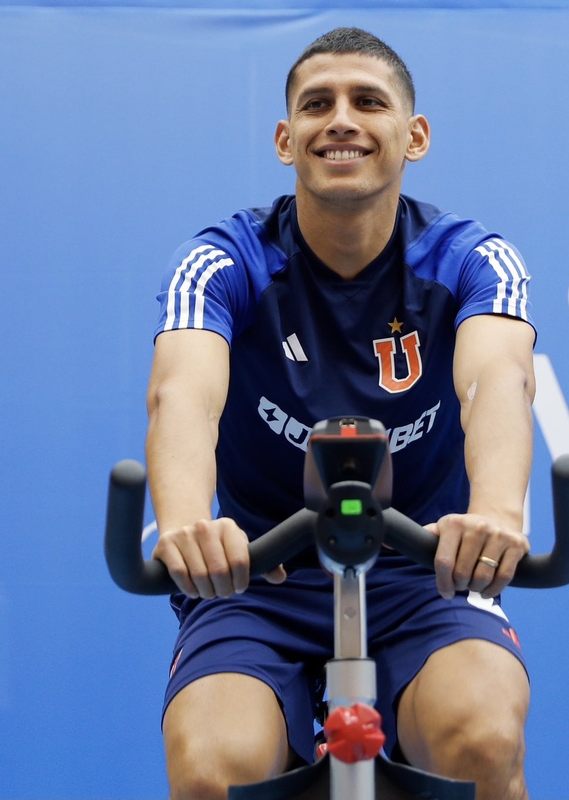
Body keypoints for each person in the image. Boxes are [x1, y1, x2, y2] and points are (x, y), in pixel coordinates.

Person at [146, 27, 538, 800]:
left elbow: (497, 379)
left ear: (413, 135)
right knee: (211, 772)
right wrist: (187, 521)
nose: (342, 121)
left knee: (484, 741)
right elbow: (182, 392)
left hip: (425, 569)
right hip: (258, 574)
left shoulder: (471, 258)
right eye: (317, 105)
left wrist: (495, 511)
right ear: (286, 139)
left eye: (369, 102)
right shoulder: (223, 260)